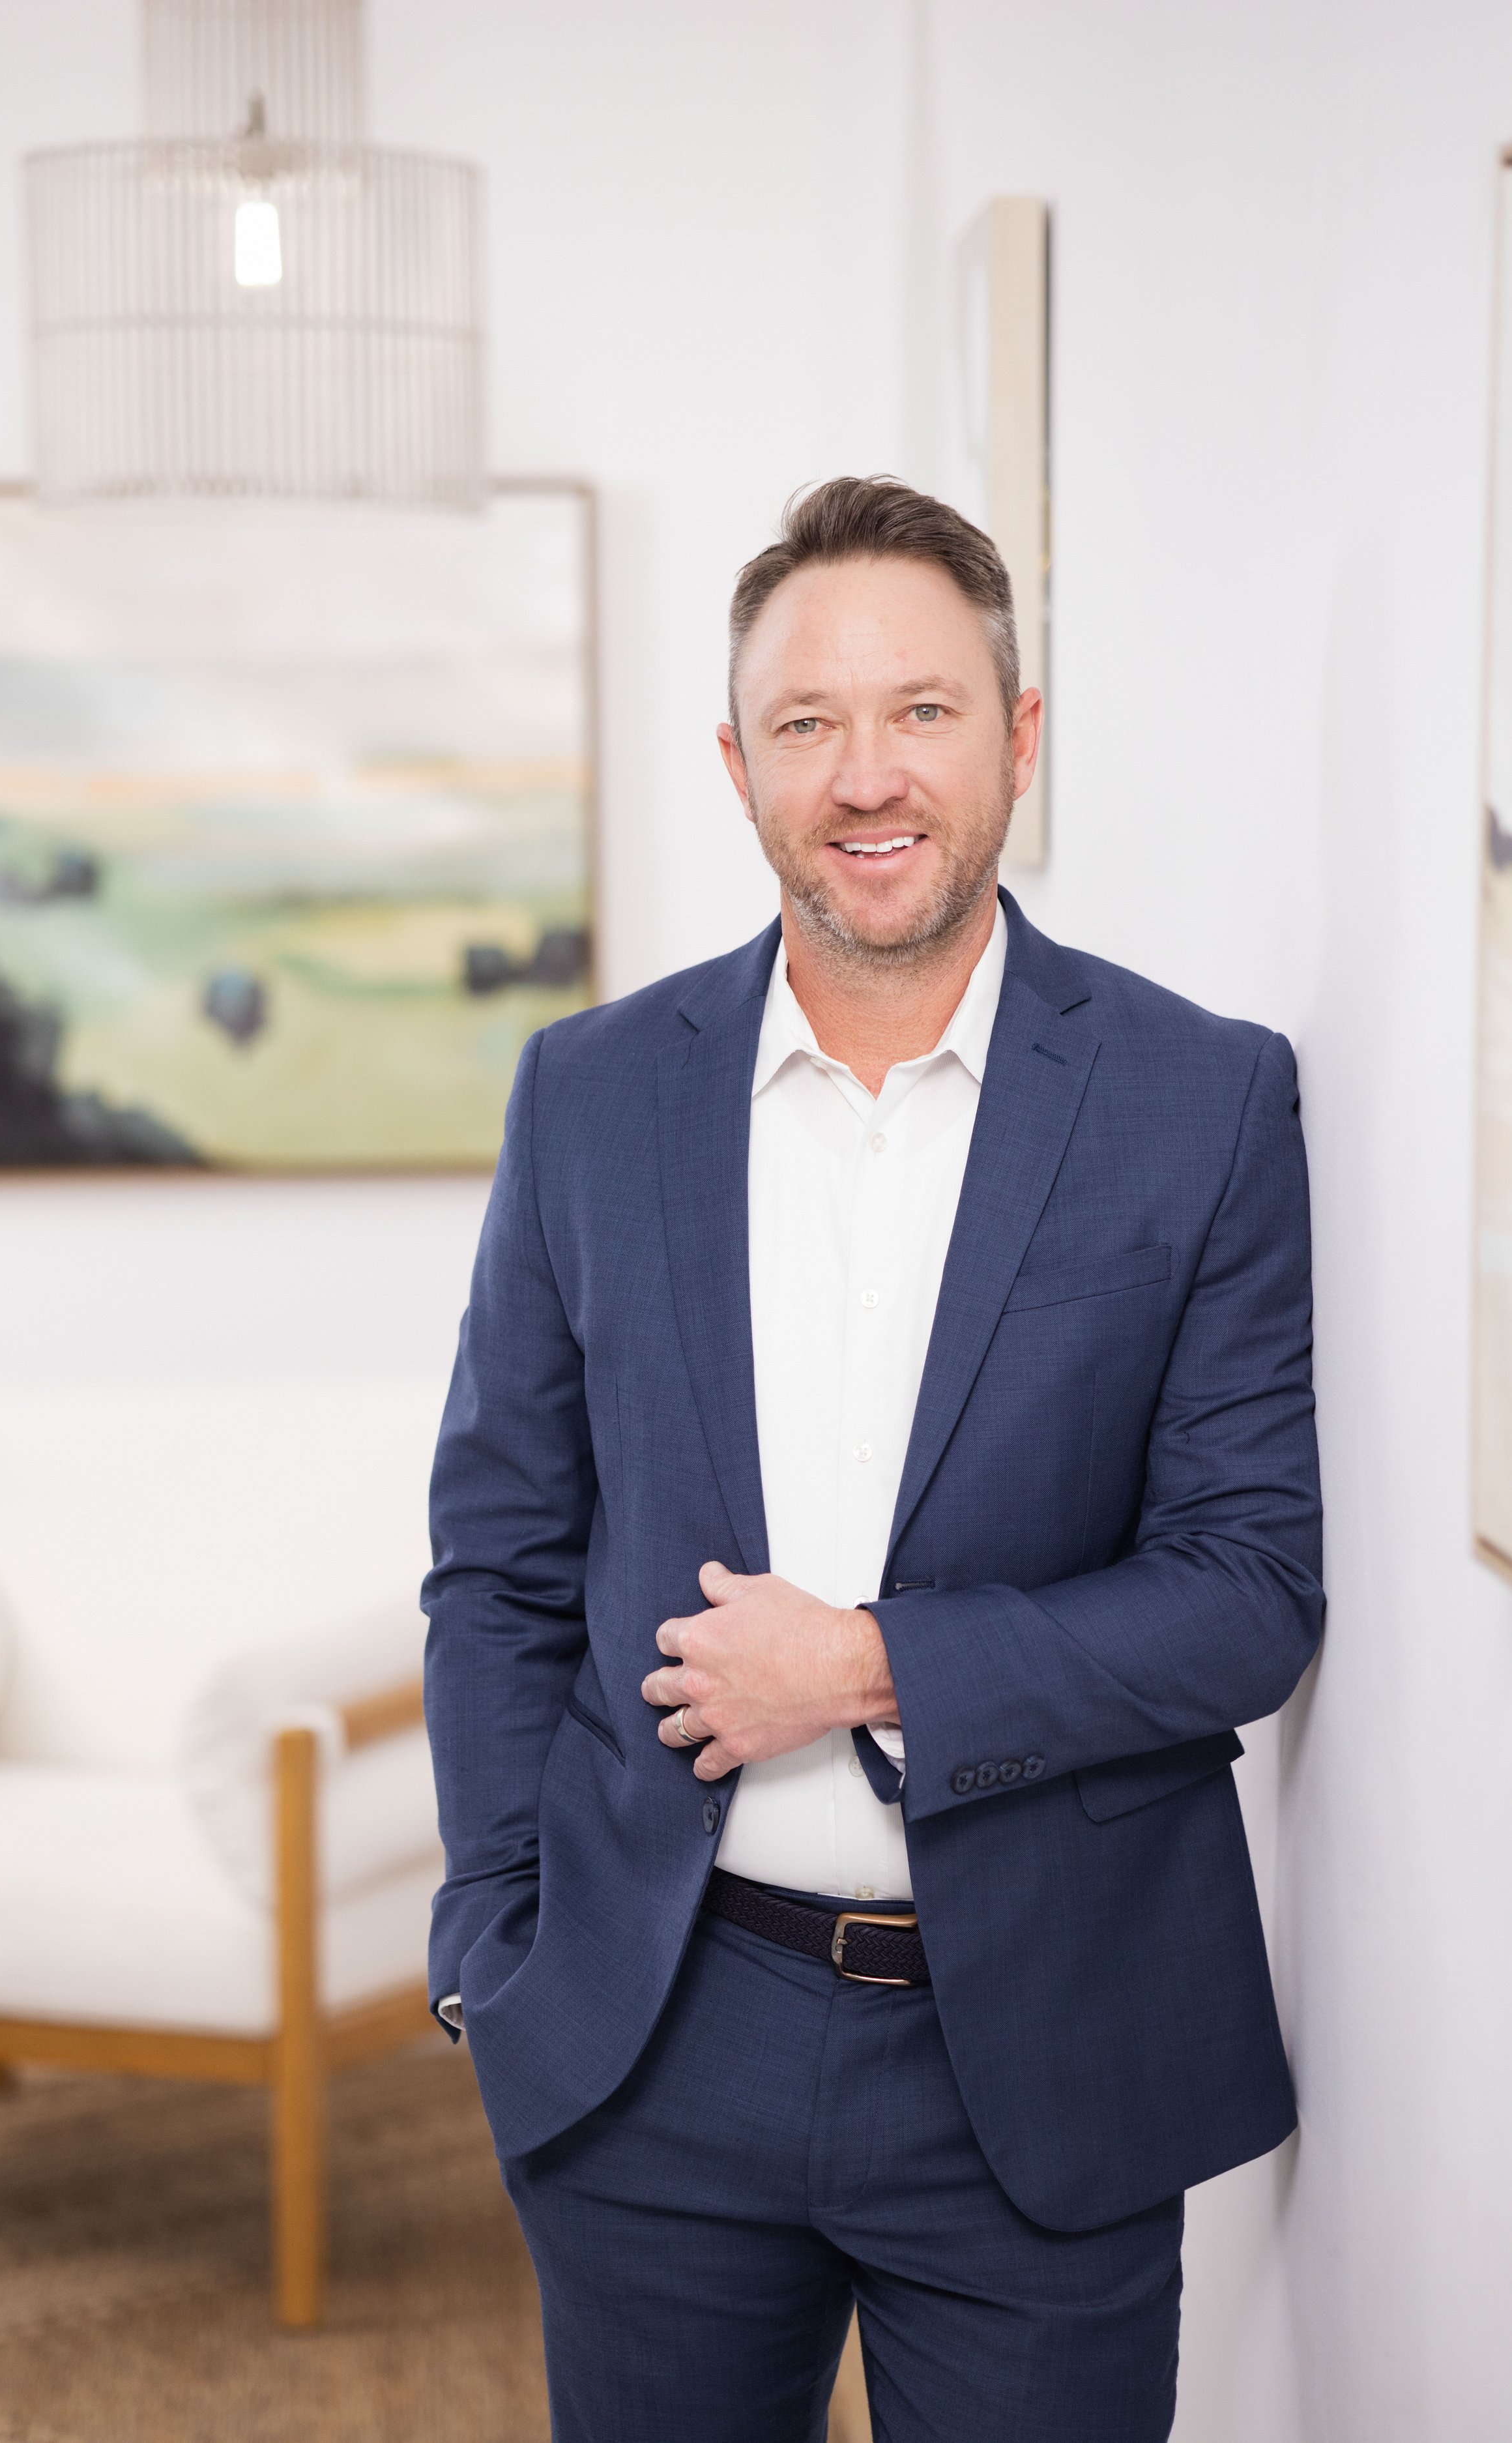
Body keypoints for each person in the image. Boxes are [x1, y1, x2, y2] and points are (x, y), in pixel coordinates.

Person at [421, 476, 1322, 2443]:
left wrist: (873, 1664)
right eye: (807, 723)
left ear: (1013, 737)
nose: (864, 773)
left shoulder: (1203, 1098)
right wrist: (498, 1936)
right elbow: (496, 1555)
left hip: (1046, 2058)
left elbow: (1249, 1589)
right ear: (737, 766)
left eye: (919, 709)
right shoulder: (587, 1094)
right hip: (652, 2032)